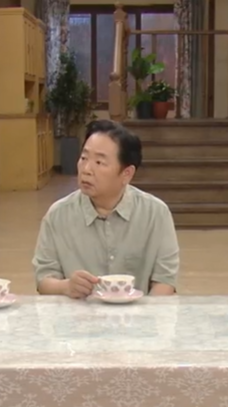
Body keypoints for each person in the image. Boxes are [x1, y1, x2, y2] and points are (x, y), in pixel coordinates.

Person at [33, 119, 179, 298]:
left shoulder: (156, 214)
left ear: (126, 174)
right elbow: (43, 279)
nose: (86, 169)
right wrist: (66, 286)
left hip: (137, 314)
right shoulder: (58, 215)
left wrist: (144, 314)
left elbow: (165, 281)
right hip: (78, 314)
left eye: (99, 162)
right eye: (84, 158)